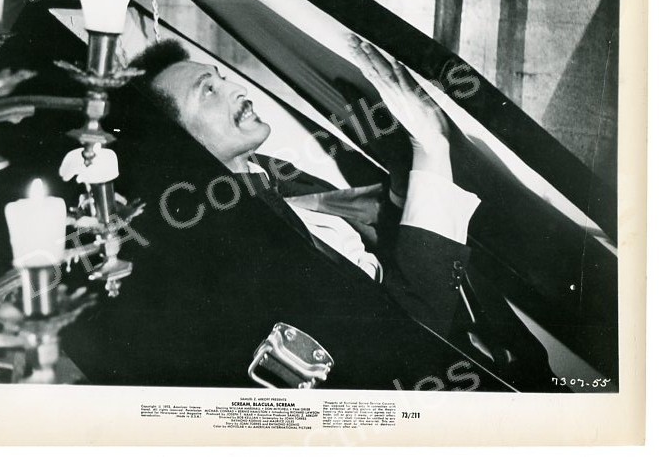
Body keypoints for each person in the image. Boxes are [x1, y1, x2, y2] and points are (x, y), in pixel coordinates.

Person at [126, 34, 557, 391]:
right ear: (183, 147)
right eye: (208, 90)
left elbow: (359, 229)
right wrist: (431, 150)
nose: (237, 89)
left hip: (496, 344)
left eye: (221, 77)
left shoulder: (271, 171)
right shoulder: (243, 250)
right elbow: (402, 333)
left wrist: (407, 174)